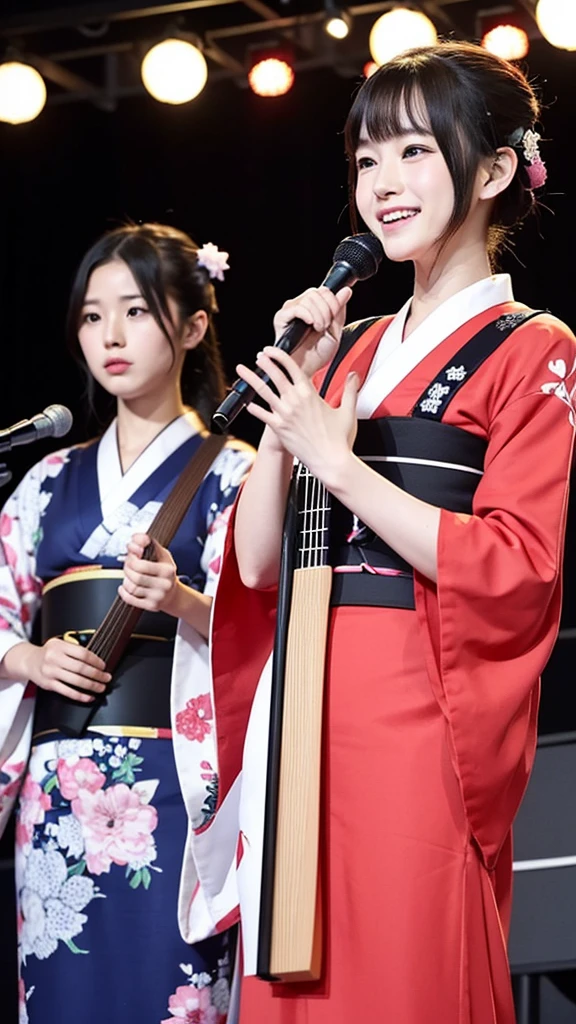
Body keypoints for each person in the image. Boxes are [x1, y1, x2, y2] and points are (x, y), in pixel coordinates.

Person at [193, 43, 576, 1023]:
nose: (383, 183)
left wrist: (340, 458)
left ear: (493, 170)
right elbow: (257, 561)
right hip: (309, 693)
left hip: (420, 702)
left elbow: (517, 566)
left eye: (414, 152)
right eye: (367, 158)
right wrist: (288, 413)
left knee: (404, 969)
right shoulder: (352, 344)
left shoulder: (532, 346)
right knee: (300, 980)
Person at [0, 223, 254, 1024]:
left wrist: (182, 602)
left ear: (192, 325)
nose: (108, 336)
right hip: (58, 796)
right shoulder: (45, 481)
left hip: (177, 793)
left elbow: (273, 629)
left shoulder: (236, 472)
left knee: (172, 997)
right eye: (90, 316)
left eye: (136, 312)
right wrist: (27, 660)